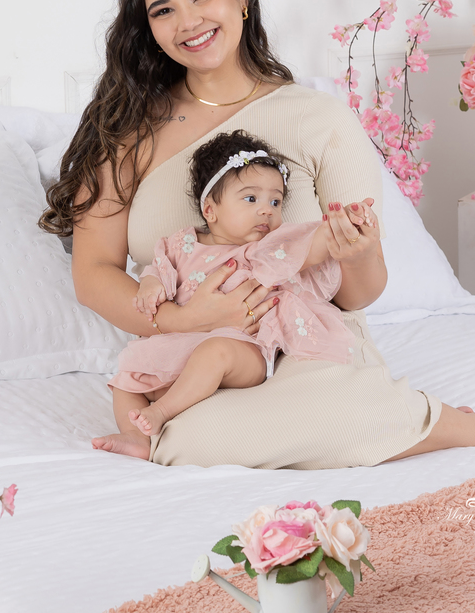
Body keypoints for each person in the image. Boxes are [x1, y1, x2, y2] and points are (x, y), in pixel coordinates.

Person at [40, 0, 475, 470]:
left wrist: (358, 250)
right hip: (185, 361)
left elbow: (357, 295)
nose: (189, 22)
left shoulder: (317, 117)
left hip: (301, 343)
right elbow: (94, 272)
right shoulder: (126, 131)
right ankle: (385, 420)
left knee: (334, 409)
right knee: (192, 432)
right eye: (163, 10)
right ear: (149, 26)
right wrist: (183, 320)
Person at [110, 129, 367, 445]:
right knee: (126, 377)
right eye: (251, 198)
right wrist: (149, 287)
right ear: (210, 210)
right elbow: (157, 270)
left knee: (214, 351)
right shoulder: (180, 243)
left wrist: (341, 227)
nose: (267, 210)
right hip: (179, 345)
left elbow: (309, 248)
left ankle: (161, 412)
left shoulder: (265, 249)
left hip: (241, 352)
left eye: (276, 201)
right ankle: (135, 437)